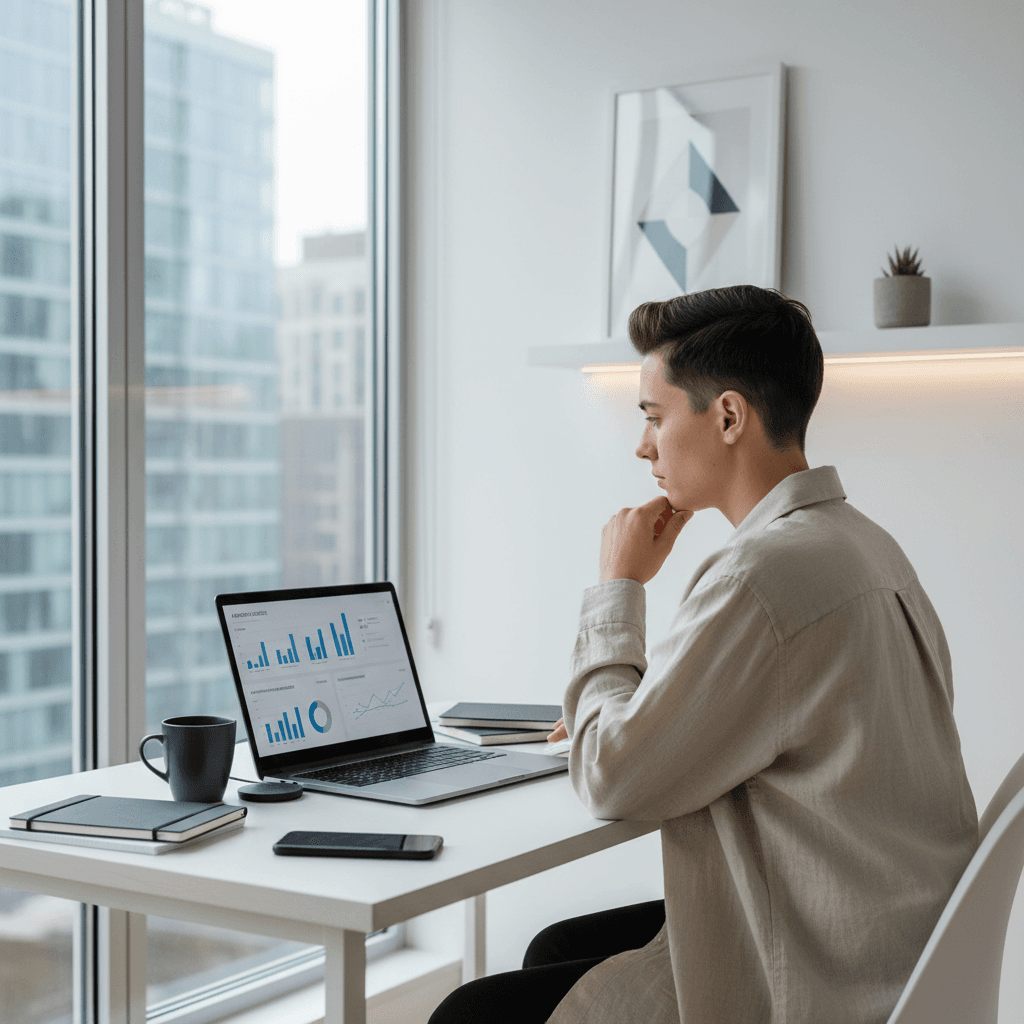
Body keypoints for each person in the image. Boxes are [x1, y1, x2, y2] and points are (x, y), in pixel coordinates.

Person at [428, 285, 977, 1024]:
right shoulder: (866, 545)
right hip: (894, 946)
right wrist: (652, 712)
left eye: (653, 417)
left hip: (815, 970)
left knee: (471, 1013)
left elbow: (611, 779)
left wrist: (617, 586)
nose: (642, 445)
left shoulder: (762, 574)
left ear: (726, 417)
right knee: (556, 943)